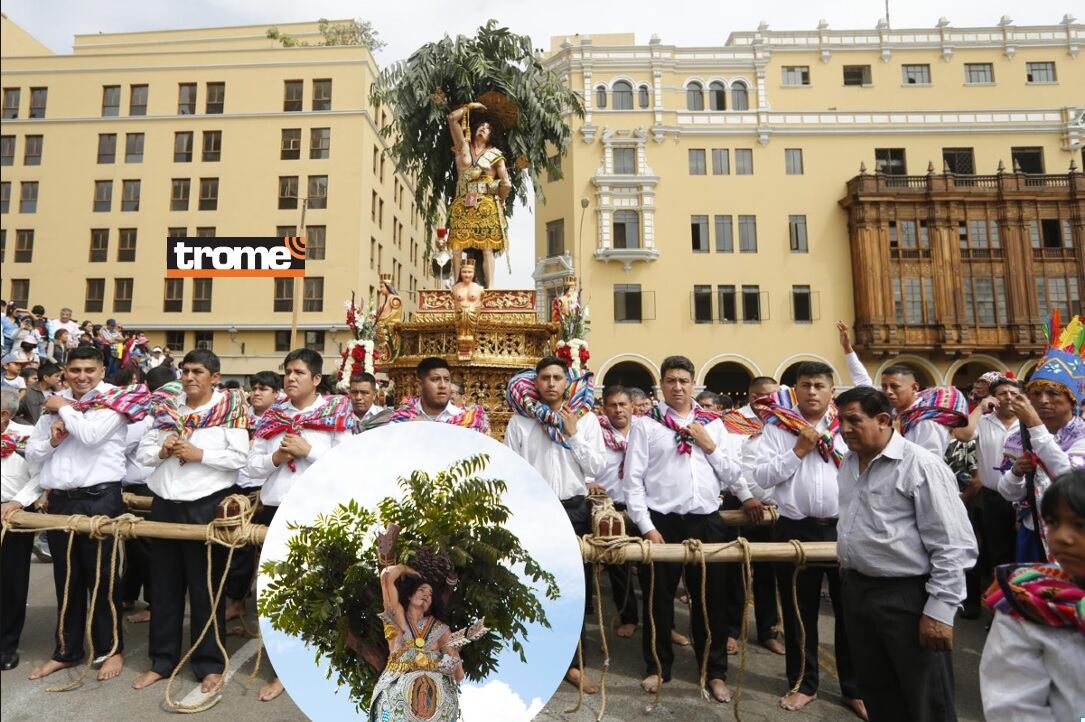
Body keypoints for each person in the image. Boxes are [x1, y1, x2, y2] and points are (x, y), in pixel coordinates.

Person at [835, 385, 977, 722]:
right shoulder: (849, 462)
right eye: (840, 420)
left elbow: (953, 543)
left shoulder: (921, 465)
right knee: (878, 693)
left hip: (907, 598)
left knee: (926, 700)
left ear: (883, 420)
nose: (844, 429)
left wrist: (940, 611)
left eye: (854, 420)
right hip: (858, 592)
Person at [623, 355, 752, 703]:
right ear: (661, 385)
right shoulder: (646, 425)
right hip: (662, 523)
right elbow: (632, 481)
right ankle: (657, 667)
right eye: (670, 381)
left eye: (683, 380)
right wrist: (647, 527)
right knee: (658, 601)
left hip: (707, 521)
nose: (677, 387)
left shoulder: (714, 424)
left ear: (694, 383)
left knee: (711, 601)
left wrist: (709, 445)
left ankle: (714, 672)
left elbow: (732, 473)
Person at [24, 346, 148, 682]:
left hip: (100, 500)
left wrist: (65, 409)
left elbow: (91, 437)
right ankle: (66, 651)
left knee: (102, 578)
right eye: (75, 370)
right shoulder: (55, 403)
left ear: (102, 371)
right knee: (67, 578)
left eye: (89, 370)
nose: (82, 377)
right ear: (65, 371)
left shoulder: (114, 400)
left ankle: (111, 649)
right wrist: (52, 440)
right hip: (60, 502)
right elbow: (33, 454)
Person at [751, 362, 864, 717]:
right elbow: (761, 478)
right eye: (805, 385)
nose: (812, 391)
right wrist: (798, 450)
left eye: (819, 385)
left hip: (845, 528)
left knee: (850, 611)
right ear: (795, 390)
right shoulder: (777, 428)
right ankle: (803, 683)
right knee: (799, 611)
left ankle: (854, 688)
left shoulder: (849, 425)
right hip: (795, 529)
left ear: (832, 391)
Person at [131, 350, 248, 693]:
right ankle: (161, 661)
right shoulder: (166, 409)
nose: (189, 377)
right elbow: (143, 454)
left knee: (205, 588)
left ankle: (209, 664)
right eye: (185, 371)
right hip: (165, 504)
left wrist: (201, 455)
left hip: (205, 505)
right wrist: (162, 451)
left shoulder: (230, 410)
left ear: (215, 377)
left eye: (198, 371)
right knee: (164, 587)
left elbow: (239, 457)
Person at [245, 349, 354, 702]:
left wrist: (310, 450)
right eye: (287, 372)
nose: (291, 378)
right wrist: (276, 457)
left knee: (320, 591)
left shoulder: (337, 413)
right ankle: (284, 668)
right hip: (277, 510)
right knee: (277, 593)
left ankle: (321, 662)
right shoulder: (272, 416)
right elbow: (250, 468)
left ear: (317, 379)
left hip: (318, 511)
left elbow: (350, 465)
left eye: (299, 372)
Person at [505, 356, 605, 693]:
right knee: (532, 587)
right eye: (544, 377)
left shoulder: (585, 419)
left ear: (567, 382)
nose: (550, 383)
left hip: (574, 510)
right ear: (536, 382)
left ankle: (574, 664)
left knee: (573, 588)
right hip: (536, 512)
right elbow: (512, 472)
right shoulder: (521, 422)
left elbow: (597, 467)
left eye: (557, 377)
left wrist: (573, 434)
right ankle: (535, 659)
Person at [979, 471, 1085, 720]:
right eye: (1053, 522)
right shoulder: (1028, 599)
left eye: (1080, 525)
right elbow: (1013, 707)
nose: (1062, 537)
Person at [999, 334, 1085, 562]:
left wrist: (1035, 425)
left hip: (1076, 535)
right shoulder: (1018, 438)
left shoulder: (1082, 435)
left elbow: (1069, 478)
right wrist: (1016, 473)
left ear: (1072, 400)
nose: (1043, 400)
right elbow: (1008, 493)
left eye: (1053, 393)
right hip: (1031, 532)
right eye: (1036, 394)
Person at [369, 562, 465, 721]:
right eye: (421, 589)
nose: (426, 594)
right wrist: (405, 569)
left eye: (430, 593)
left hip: (436, 707)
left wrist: (452, 657)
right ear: (409, 595)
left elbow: (459, 674)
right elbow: (386, 577)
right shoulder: (396, 619)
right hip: (393, 702)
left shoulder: (441, 630)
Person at [224, 370, 283, 620]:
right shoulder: (237, 416)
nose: (256, 393)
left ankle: (274, 607)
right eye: (254, 388)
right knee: (238, 546)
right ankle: (236, 600)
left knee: (270, 548)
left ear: (276, 394)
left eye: (263, 389)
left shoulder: (282, 419)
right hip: (239, 486)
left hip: (265, 488)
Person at [447, 101, 512, 287]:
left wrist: (500, 198)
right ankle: (457, 284)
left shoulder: (495, 154)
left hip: (485, 204)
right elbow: (452, 118)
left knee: (487, 247)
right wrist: (471, 106)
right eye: (481, 126)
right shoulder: (463, 146)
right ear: (474, 129)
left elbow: (506, 183)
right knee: (457, 247)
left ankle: (490, 287)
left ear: (492, 135)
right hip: (462, 202)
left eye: (488, 128)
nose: (483, 129)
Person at [1, 388, 42, 671]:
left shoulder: (28, 437)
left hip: (14, 515)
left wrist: (17, 502)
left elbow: (39, 477)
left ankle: (5, 644)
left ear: (4, 415)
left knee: (11, 582)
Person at [594, 385, 640, 639]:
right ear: (604, 408)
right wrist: (589, 481)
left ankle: (665, 625)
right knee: (618, 566)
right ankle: (628, 616)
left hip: (642, 505)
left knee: (653, 566)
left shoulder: (645, 432)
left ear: (632, 407)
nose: (618, 409)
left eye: (623, 404)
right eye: (612, 405)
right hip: (610, 507)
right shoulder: (597, 434)